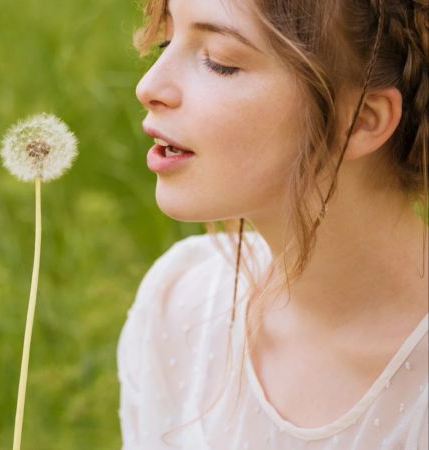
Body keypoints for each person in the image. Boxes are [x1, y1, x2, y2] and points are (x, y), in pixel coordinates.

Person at [117, 0, 429, 448]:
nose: (148, 86)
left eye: (219, 62)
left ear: (362, 120)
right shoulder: (181, 302)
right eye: (167, 40)